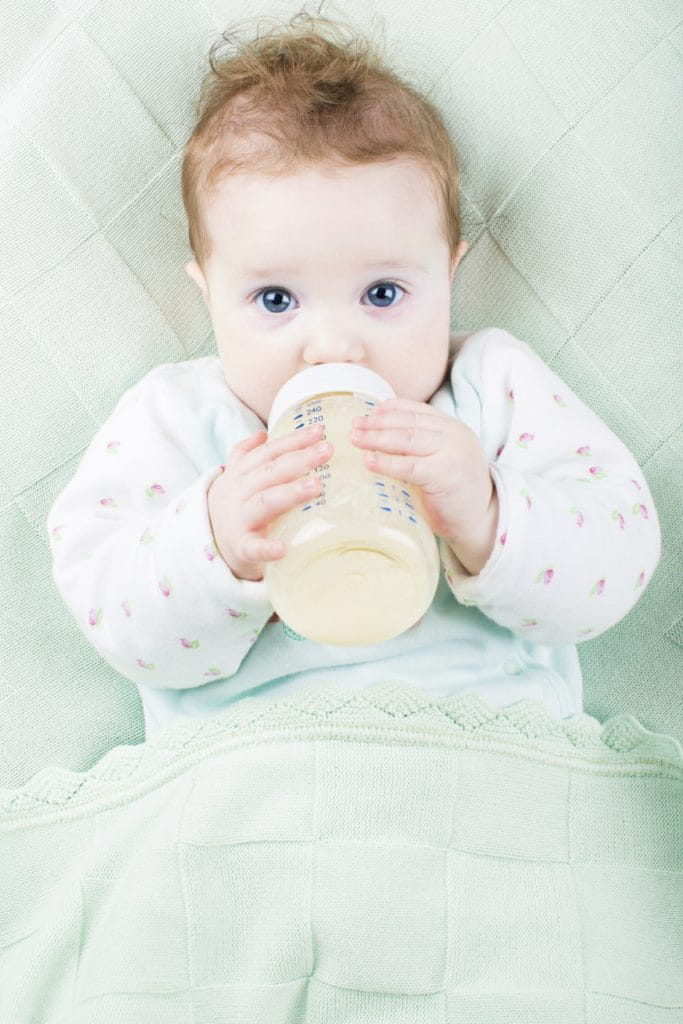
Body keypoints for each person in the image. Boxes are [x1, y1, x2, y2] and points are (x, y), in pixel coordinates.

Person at [47, 12, 661, 739]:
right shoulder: (177, 419)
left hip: (489, 759)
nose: (333, 347)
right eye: (275, 300)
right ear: (207, 293)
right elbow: (114, 621)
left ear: (448, 273)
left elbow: (617, 564)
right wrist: (213, 540)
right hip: (255, 776)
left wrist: (491, 513)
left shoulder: (490, 391)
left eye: (382, 295)